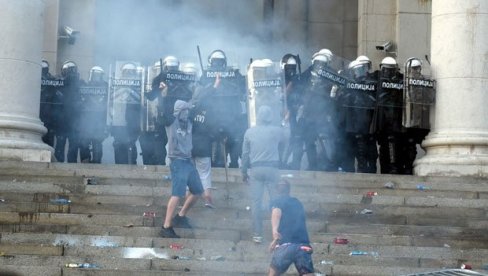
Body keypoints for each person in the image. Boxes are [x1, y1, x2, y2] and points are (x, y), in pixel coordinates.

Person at [159, 100, 204, 239]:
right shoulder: (171, 121)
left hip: (188, 161)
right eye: (184, 111)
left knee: (197, 190)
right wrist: (163, 95)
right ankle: (166, 226)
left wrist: (214, 87)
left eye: (188, 111)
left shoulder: (190, 122)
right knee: (177, 194)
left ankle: (181, 216)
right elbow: (162, 110)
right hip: (177, 161)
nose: (187, 113)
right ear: (178, 111)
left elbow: (200, 106)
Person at [241, 105, 285, 243]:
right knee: (276, 202)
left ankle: (257, 234)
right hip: (272, 168)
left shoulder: (249, 132)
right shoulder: (277, 131)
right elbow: (284, 144)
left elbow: (245, 154)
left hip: (256, 169)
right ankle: (278, 232)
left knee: (256, 202)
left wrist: (243, 172)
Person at [268, 179, 314, 276]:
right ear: (289, 190)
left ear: (276, 190)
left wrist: (275, 233)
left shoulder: (276, 201)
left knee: (273, 273)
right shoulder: (297, 202)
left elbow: (276, 213)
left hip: (285, 245)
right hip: (302, 245)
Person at [79, 66, 109, 163]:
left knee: (97, 141)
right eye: (94, 75)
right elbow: (81, 101)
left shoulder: (106, 87)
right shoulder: (85, 86)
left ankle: (96, 162)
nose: (95, 77)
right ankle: (85, 161)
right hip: (87, 118)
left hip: (99, 118)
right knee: (84, 141)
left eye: (97, 75)